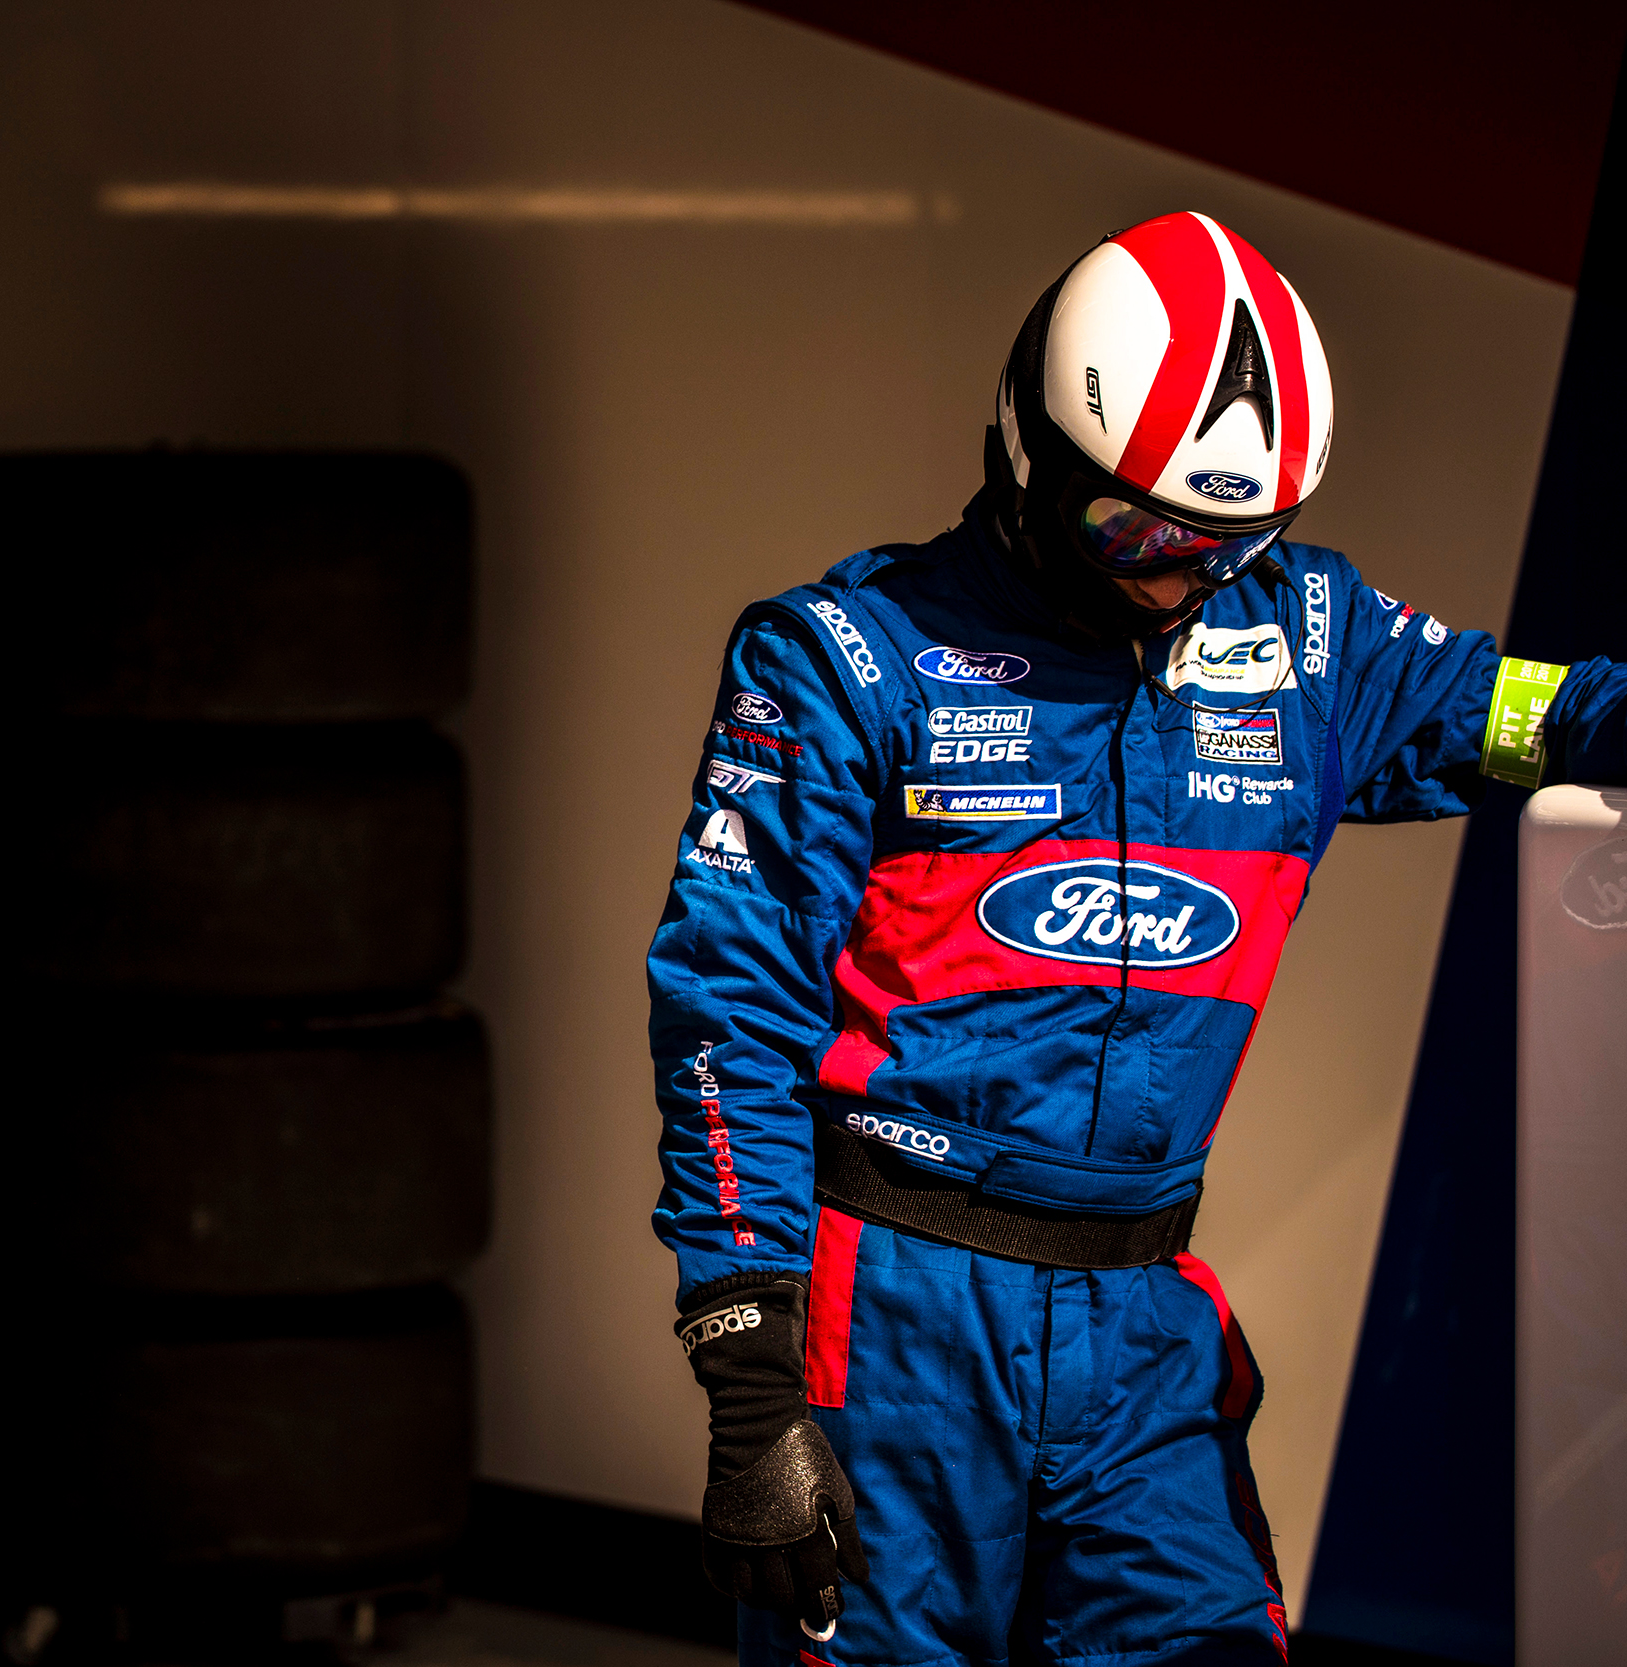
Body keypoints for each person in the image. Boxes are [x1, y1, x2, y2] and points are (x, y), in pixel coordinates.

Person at [647, 211, 1627, 1666]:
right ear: (1027, 456)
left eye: (1229, 544)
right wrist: (749, 1383)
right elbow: (732, 1007)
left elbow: (1536, 712)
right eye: (1136, 532)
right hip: (896, 1325)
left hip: (1142, 1324)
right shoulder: (844, 659)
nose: (1179, 576)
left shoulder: (1311, 638)